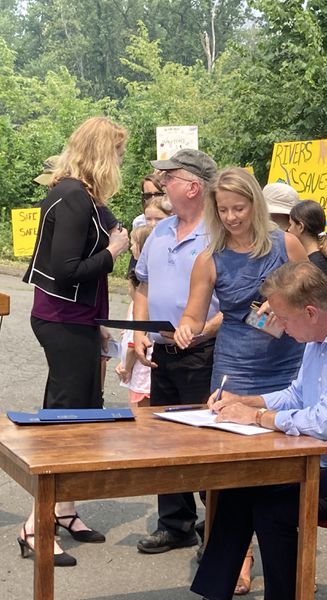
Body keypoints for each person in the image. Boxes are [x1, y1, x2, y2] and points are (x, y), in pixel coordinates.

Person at [190, 261, 327, 600]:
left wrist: (257, 417)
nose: (278, 326)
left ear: (310, 312)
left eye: (283, 318)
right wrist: (246, 400)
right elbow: (298, 394)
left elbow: (325, 422)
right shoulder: (316, 336)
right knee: (238, 489)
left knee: (274, 510)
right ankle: (212, 594)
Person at [174, 167, 308, 594]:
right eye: (223, 210)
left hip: (287, 368)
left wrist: (286, 308)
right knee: (234, 474)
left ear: (255, 204)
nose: (231, 217)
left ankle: (288, 565)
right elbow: (194, 312)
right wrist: (186, 328)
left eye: (239, 208)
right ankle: (241, 560)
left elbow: (316, 294)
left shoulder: (285, 244)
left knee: (282, 475)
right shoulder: (209, 258)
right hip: (235, 368)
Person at [21, 116, 130, 566]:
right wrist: (114, 251)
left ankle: (64, 509)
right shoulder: (72, 197)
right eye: (118, 152)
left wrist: (97, 320)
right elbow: (67, 271)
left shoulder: (83, 195)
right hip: (62, 319)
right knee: (64, 422)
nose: (122, 161)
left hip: (78, 319)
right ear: (102, 153)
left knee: (82, 415)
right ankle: (35, 525)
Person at [133, 149, 222, 555]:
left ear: (193, 186)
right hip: (162, 351)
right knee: (163, 440)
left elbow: (237, 302)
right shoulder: (161, 231)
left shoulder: (218, 234)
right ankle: (175, 523)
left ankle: (216, 527)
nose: (161, 183)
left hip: (204, 352)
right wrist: (139, 334)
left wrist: (202, 328)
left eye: (169, 177)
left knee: (205, 443)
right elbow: (142, 285)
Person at [116, 225, 155, 406]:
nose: (131, 248)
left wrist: (126, 367)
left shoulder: (142, 294)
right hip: (142, 371)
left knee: (141, 415)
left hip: (141, 374)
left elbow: (134, 341)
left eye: (133, 244)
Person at [287, 199, 327, 294]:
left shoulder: (315, 264)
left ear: (300, 227)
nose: (288, 230)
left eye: (290, 225)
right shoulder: (317, 258)